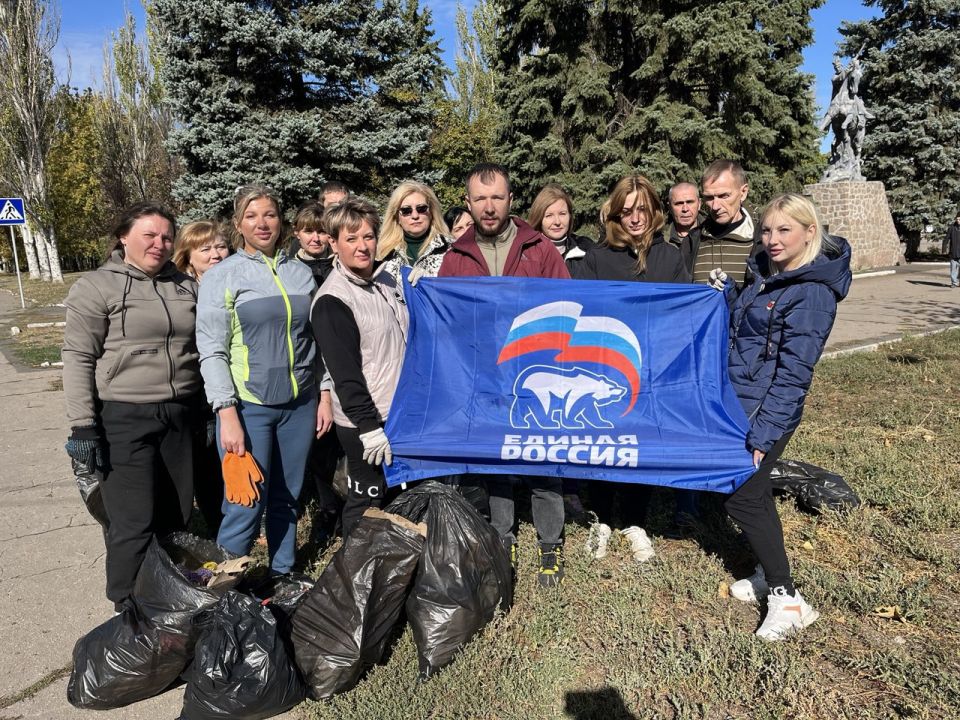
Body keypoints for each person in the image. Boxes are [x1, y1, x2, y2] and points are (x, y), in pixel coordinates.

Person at [712, 193, 851, 640]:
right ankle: (764, 569)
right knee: (749, 496)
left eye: (784, 230)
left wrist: (764, 434)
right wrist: (730, 293)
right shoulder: (768, 275)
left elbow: (794, 374)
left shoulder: (811, 292)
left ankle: (788, 599)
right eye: (767, 230)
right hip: (743, 401)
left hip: (766, 412)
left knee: (743, 498)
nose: (772, 239)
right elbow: (750, 331)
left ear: (810, 232)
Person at [63, 202, 203, 609]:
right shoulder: (97, 286)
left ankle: (168, 600)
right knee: (132, 521)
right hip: (123, 416)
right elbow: (77, 357)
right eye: (149, 235)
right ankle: (126, 608)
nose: (159, 244)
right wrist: (82, 425)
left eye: (165, 237)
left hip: (179, 413)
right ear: (124, 237)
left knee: (175, 514)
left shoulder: (184, 285)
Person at [439, 163, 570, 588]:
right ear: (469, 203)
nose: (489, 206)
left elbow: (569, 305)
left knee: (544, 458)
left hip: (538, 373)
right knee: (496, 460)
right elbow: (447, 322)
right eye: (480, 198)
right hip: (485, 380)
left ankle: (550, 542)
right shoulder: (456, 258)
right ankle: (503, 537)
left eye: (497, 197)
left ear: (511, 200)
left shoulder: (539, 249)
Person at [196, 184, 327, 575]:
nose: (262, 223)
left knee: (286, 497)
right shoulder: (224, 276)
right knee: (244, 502)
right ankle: (222, 591)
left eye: (269, 214)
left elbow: (317, 341)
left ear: (281, 220)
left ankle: (282, 575)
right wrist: (226, 412)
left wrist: (324, 393)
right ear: (238, 224)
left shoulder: (301, 274)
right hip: (249, 407)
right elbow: (212, 350)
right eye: (251, 216)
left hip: (300, 405)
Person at [573, 175, 688, 564]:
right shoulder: (598, 257)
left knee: (642, 443)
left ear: (655, 211)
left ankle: (635, 520)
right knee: (605, 442)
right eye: (627, 210)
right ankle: (602, 519)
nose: (635, 218)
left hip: (653, 370)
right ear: (616, 213)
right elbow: (580, 312)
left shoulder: (671, 257)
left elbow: (681, 315)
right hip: (606, 367)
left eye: (642, 209)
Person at [311, 198, 409, 536]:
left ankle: (390, 563)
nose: (362, 246)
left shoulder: (385, 281)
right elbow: (345, 373)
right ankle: (354, 569)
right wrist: (368, 428)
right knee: (367, 498)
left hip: (395, 410)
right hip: (365, 421)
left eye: (368, 236)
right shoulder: (332, 300)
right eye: (351, 239)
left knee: (395, 496)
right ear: (334, 243)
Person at [172, 220, 234, 535]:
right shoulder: (181, 290)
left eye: (220, 246)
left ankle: (241, 516)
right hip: (194, 388)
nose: (215, 254)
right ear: (188, 256)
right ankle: (213, 524)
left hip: (232, 381)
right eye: (205, 249)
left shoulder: (237, 280)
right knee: (205, 461)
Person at [688, 159, 760, 286]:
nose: (715, 206)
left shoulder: (762, 241)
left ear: (743, 193)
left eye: (724, 196)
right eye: (709, 198)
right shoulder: (693, 240)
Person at [378, 181, 455, 282]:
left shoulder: (452, 249)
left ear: (431, 212)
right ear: (397, 217)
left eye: (421, 209)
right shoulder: (382, 254)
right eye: (406, 210)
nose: (415, 216)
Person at [527, 183, 595, 275]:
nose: (557, 222)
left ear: (570, 216)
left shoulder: (586, 248)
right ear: (539, 218)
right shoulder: (527, 253)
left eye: (562, 214)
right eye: (549, 216)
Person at [291, 201, 335, 284]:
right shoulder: (290, 270)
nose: (316, 239)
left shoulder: (343, 266)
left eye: (321, 232)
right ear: (297, 233)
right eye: (309, 231)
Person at [664, 182, 702, 271]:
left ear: (699, 204)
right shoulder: (659, 239)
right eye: (679, 203)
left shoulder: (712, 235)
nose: (685, 209)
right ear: (669, 207)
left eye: (690, 202)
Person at [946, 213, 960, 288]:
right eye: (957, 219)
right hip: (953, 252)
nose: (958, 221)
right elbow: (946, 238)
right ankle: (954, 283)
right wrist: (944, 248)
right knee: (953, 269)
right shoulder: (952, 227)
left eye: (959, 219)